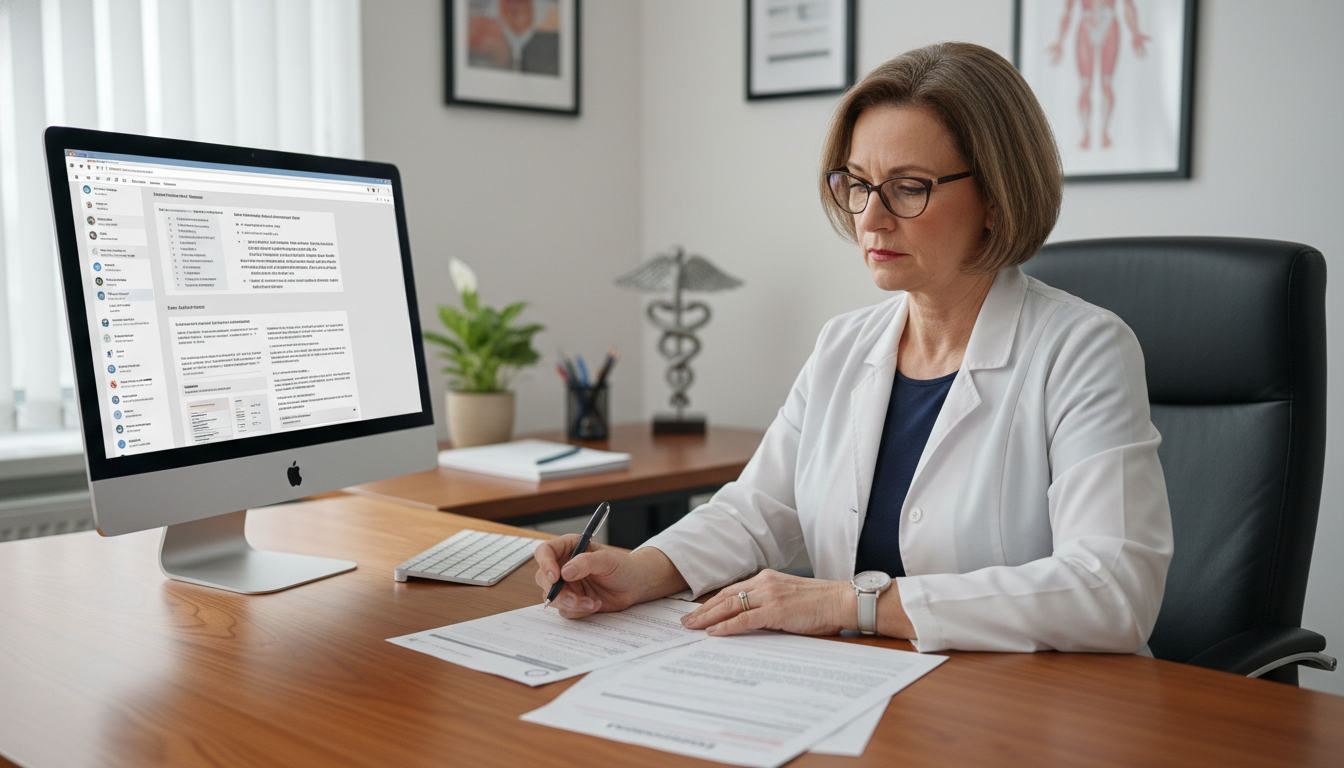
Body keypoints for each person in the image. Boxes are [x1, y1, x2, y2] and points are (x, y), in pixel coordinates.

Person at [534, 42, 1173, 654]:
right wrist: (642, 568)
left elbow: (1113, 588)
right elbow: (760, 508)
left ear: (996, 198)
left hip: (1028, 711)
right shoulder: (845, 344)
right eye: (859, 182)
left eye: (909, 186)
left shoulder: (1084, 350)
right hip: (861, 693)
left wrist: (851, 603)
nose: (869, 218)